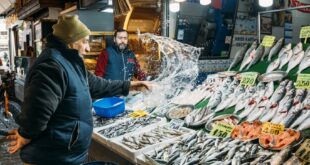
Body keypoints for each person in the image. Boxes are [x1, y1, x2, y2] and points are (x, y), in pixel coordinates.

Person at [6, 15, 151, 165]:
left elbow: (97, 85)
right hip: (51, 158)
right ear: (70, 42)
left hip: (65, 156)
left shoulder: (72, 62)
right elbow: (37, 110)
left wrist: (131, 85)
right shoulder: (51, 66)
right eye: (85, 41)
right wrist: (26, 135)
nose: (88, 48)